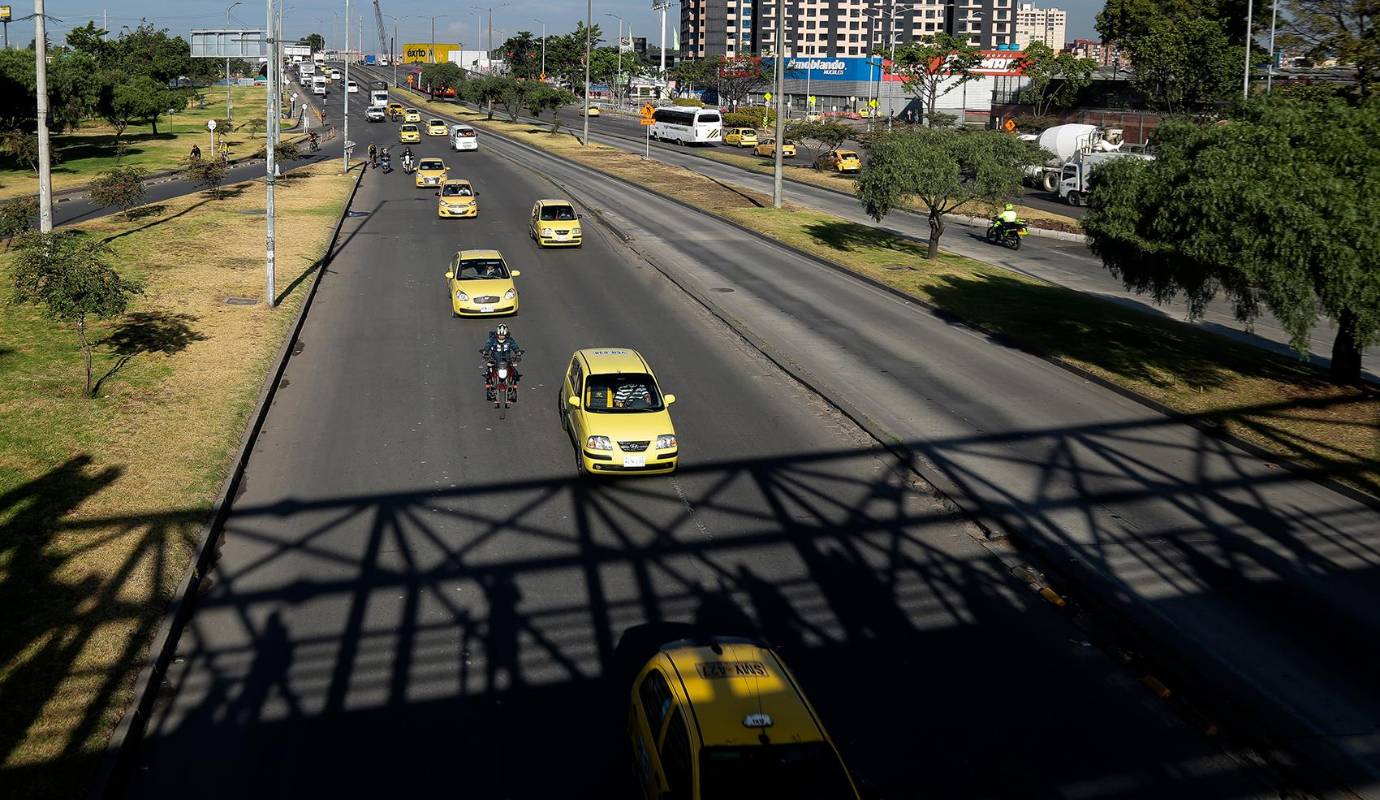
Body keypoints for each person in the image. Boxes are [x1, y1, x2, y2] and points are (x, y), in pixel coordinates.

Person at [480, 324, 523, 401]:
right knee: (487, 373)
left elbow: (515, 346)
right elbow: (487, 346)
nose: (501, 336)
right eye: (500, 335)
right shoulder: (492, 339)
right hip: (494, 360)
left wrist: (518, 353)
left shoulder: (510, 340)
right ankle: (489, 387)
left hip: (507, 360)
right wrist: (485, 353)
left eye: (503, 335)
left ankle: (514, 388)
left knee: (515, 373)